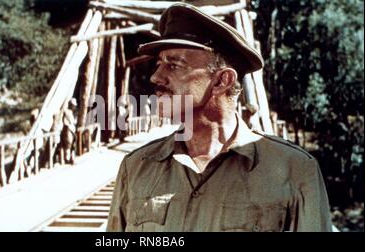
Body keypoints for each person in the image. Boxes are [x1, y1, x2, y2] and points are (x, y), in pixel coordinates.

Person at [107, 3, 332, 232]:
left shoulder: (294, 171)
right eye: (158, 64)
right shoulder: (136, 168)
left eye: (174, 65)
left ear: (221, 81)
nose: (156, 77)